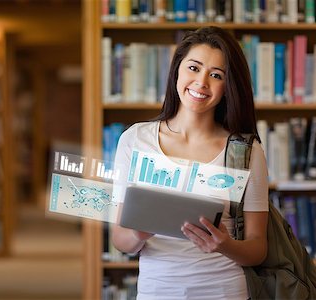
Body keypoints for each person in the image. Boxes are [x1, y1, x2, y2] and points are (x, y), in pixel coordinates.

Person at [111, 26, 269, 299]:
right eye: (194, 68)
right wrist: (138, 233)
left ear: (227, 87)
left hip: (224, 292)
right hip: (157, 291)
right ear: (177, 70)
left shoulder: (246, 151)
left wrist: (225, 244)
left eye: (216, 75)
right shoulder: (135, 139)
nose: (201, 83)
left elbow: (258, 249)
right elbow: (120, 240)